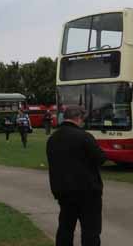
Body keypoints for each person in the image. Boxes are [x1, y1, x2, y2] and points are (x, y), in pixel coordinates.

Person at [46, 105, 105, 246]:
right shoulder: (84, 137)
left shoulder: (53, 138)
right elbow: (101, 158)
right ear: (78, 118)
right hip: (87, 191)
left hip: (63, 190)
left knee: (65, 228)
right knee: (90, 230)